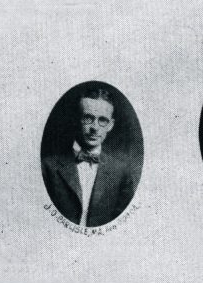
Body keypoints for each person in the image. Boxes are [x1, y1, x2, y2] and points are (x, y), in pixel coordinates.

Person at [41, 86, 140, 227]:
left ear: (110, 125)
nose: (95, 127)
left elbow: (125, 224)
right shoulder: (48, 167)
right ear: (76, 119)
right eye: (88, 118)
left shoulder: (121, 172)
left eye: (103, 120)